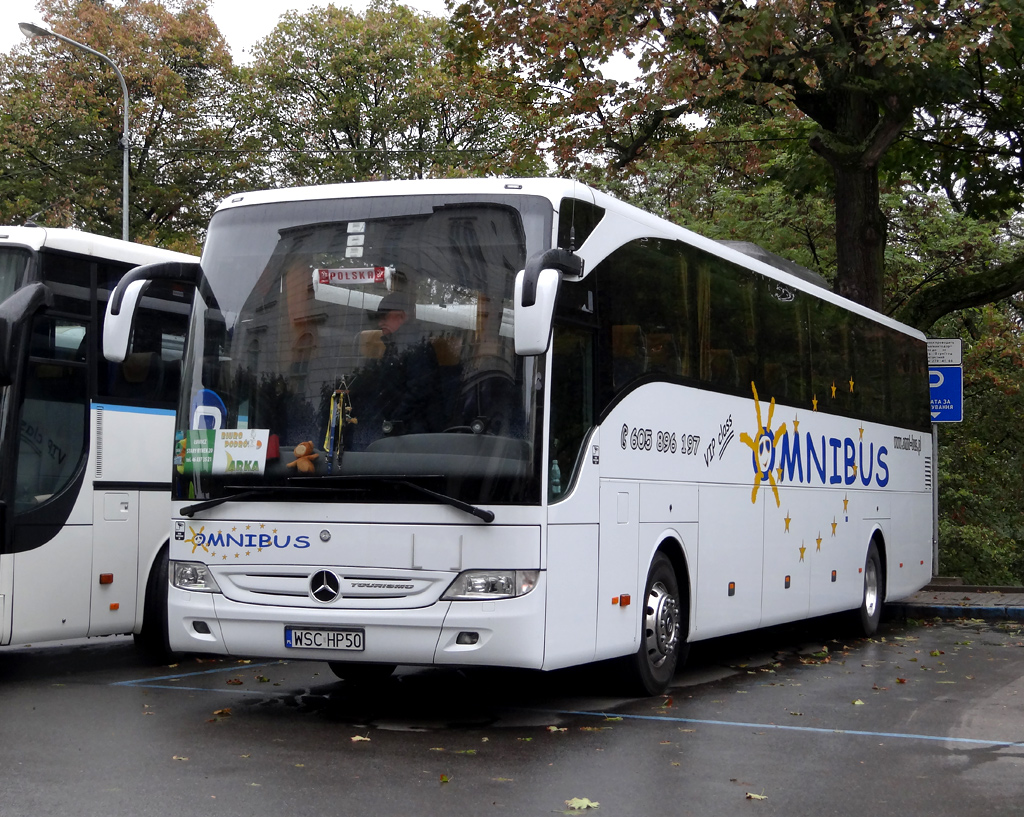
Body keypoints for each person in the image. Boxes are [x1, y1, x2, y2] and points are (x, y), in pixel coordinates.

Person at [354, 289, 443, 437]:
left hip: (411, 434)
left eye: (384, 316)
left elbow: (418, 392)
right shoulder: (397, 345)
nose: (380, 322)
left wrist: (393, 422)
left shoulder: (415, 347)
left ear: (401, 316)